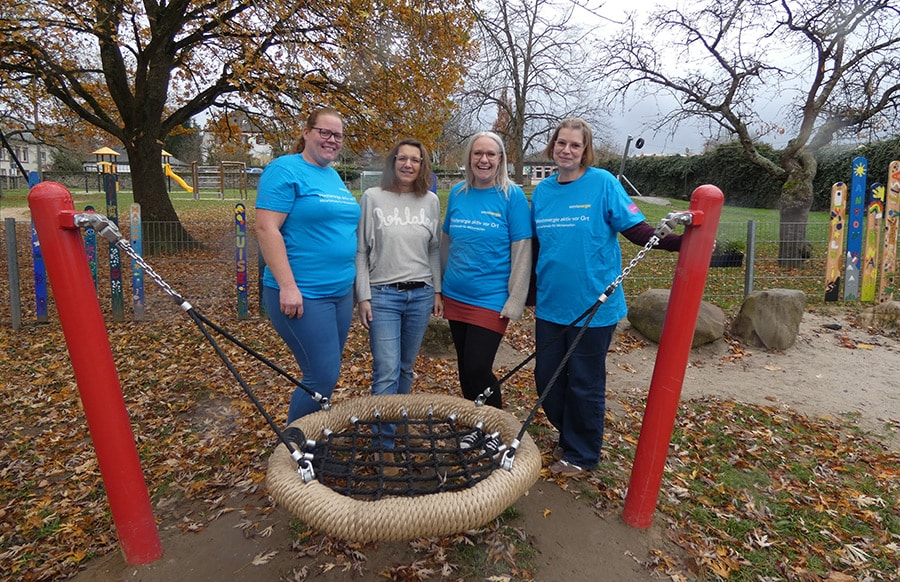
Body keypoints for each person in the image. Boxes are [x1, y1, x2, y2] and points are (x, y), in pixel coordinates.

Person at [531, 118, 681, 477]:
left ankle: (582, 454)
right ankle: (569, 434)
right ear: (553, 146)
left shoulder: (603, 184)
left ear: (585, 150)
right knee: (547, 379)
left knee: (583, 381)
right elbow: (537, 247)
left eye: (575, 145)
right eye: (561, 143)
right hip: (552, 304)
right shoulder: (543, 192)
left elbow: (638, 231)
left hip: (594, 305)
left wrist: (685, 243)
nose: (566, 150)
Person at [255, 107, 360, 424]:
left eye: (337, 135)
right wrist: (288, 286)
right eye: (324, 132)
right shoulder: (285, 169)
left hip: (339, 293)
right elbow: (266, 228)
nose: (332, 140)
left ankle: (313, 437)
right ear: (306, 132)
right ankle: (296, 446)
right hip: (302, 293)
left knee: (326, 372)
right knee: (321, 376)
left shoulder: (332, 177)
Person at [355, 138, 443, 449]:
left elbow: (433, 249)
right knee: (386, 370)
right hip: (383, 295)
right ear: (393, 163)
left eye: (415, 160)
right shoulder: (373, 198)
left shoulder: (430, 202)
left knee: (406, 367)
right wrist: (363, 296)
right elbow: (361, 251)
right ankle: (384, 447)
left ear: (423, 166)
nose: (408, 164)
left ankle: (396, 421)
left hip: (420, 294)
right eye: (402, 158)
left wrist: (437, 290)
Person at [441, 131, 532, 411]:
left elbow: (522, 249)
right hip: (455, 294)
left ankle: (494, 426)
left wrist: (516, 299)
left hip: (490, 298)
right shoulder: (458, 192)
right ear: (469, 158)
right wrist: (440, 288)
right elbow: (446, 242)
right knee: (465, 368)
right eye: (477, 153)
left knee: (478, 366)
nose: (484, 159)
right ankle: (474, 422)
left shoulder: (511, 195)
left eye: (490, 154)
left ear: (500, 159)